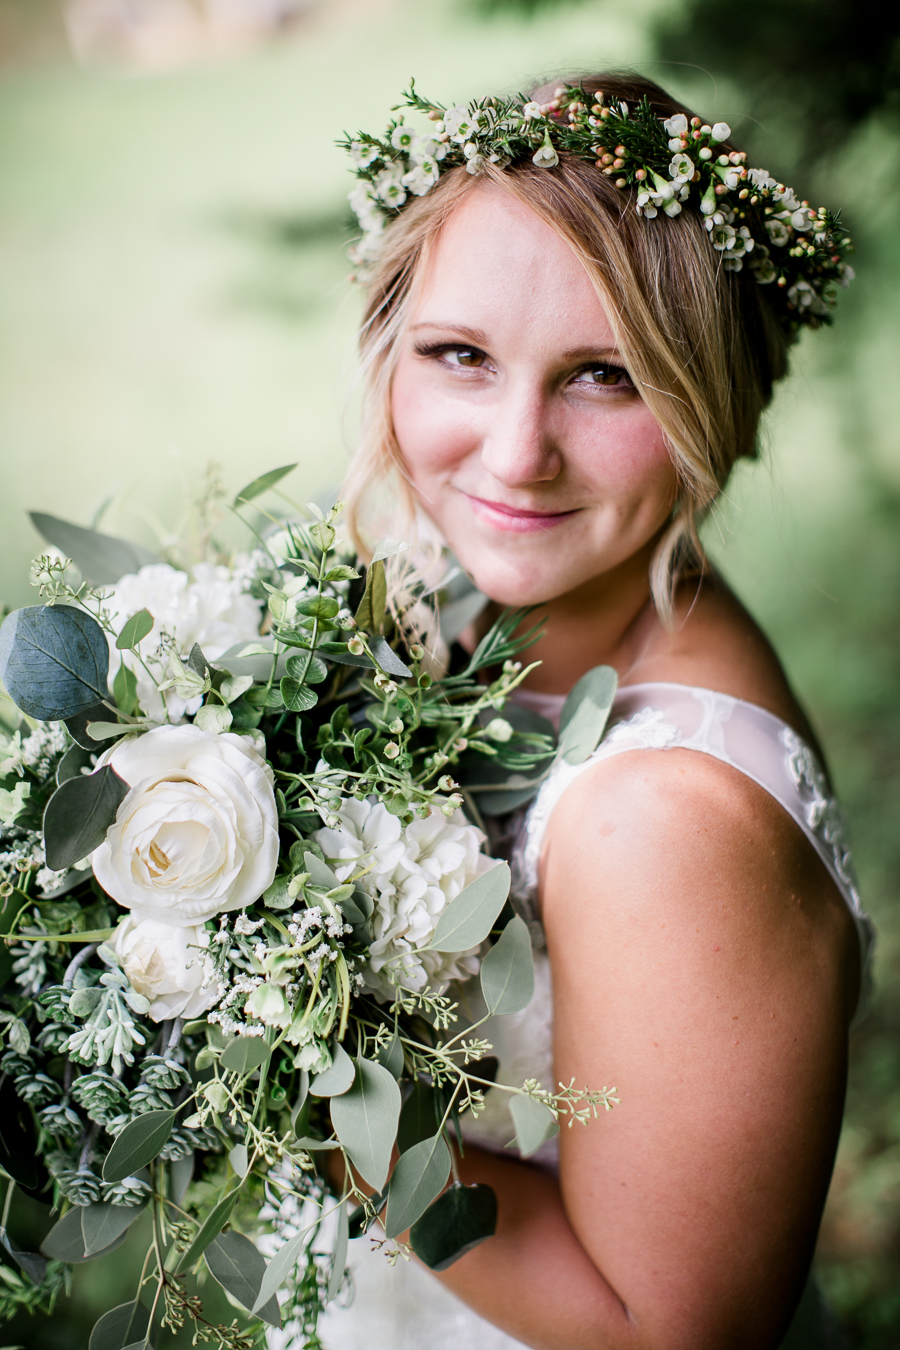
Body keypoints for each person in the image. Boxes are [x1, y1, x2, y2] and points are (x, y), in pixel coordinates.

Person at [312, 72, 871, 1350]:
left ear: (708, 406)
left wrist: (307, 1088)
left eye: (605, 377)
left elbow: (661, 1329)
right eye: (462, 355)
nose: (516, 454)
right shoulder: (472, 607)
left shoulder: (660, 820)